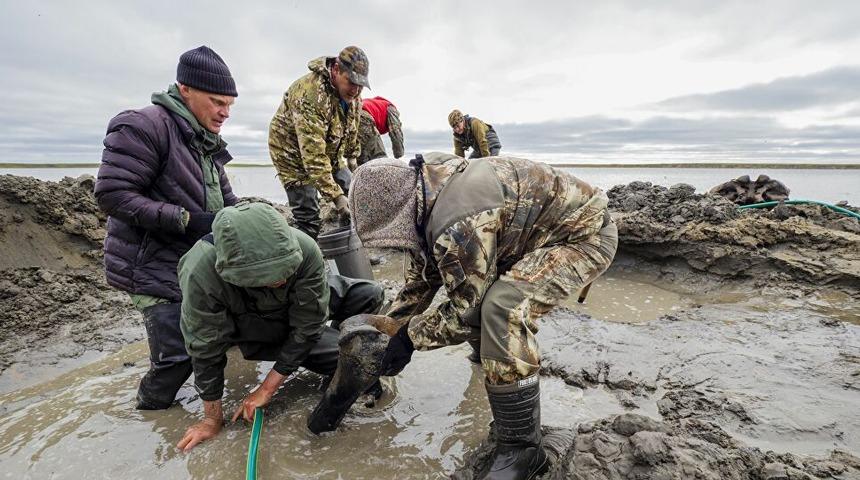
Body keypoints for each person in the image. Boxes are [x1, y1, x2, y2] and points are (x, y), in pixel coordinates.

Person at [349, 153, 617, 479]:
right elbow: (422, 279)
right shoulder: (425, 190)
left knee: (500, 308)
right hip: (525, 239)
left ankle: (523, 449)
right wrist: (389, 331)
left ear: (401, 215)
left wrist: (409, 339)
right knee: (481, 298)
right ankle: (487, 358)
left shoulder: (457, 222)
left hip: (584, 237)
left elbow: (467, 310)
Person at [95, 45, 240, 410]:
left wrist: (245, 221)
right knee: (176, 357)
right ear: (185, 88)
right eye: (217, 101)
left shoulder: (205, 141)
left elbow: (225, 200)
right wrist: (186, 220)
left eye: (230, 105)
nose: (224, 113)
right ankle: (149, 411)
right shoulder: (143, 125)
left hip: (192, 262)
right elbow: (113, 194)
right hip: (149, 264)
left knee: (220, 333)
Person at [175, 202, 384, 452]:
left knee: (369, 294)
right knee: (351, 360)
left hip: (293, 307)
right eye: (270, 277)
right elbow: (204, 346)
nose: (282, 279)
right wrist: (211, 419)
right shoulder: (200, 270)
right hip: (252, 321)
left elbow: (308, 324)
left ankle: (332, 362)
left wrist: (267, 388)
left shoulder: (304, 246)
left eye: (287, 269)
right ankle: (330, 358)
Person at [268, 46, 370, 240]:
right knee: (309, 215)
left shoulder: (354, 97)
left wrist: (353, 162)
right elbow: (313, 158)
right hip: (291, 153)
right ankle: (304, 260)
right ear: (337, 70)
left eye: (361, 85)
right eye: (351, 82)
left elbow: (352, 130)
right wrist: (336, 198)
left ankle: (352, 247)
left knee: (354, 193)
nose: (356, 90)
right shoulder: (309, 95)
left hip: (328, 150)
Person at [356, 96, 404, 167]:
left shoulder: (375, 104)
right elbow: (396, 132)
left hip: (351, 117)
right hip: (363, 117)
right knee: (380, 158)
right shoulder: (391, 108)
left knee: (361, 160)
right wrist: (399, 155)